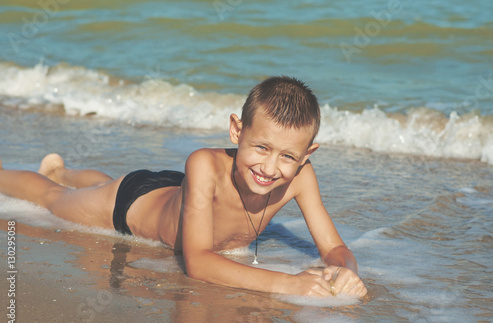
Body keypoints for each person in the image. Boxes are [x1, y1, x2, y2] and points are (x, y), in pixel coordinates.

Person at [0, 76, 367, 297]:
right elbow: (198, 262)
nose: (270, 168)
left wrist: (345, 270)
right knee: (54, 198)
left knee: (89, 185)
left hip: (180, 195)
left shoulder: (302, 177)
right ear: (237, 131)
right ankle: (31, 174)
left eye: (288, 157)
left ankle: (62, 169)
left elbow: (334, 247)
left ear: (307, 154)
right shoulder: (202, 163)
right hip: (132, 203)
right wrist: (290, 283)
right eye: (261, 148)